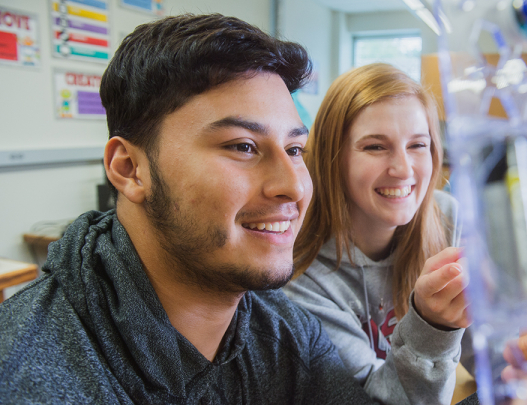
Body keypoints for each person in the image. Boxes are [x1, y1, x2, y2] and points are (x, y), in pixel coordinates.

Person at [0, 14, 379, 404]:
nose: (293, 186)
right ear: (129, 168)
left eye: (295, 150)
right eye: (243, 146)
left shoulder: (287, 333)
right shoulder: (27, 379)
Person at [284, 63, 470, 405]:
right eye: (375, 147)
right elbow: (378, 400)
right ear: (332, 157)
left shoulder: (446, 216)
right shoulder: (298, 275)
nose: (402, 169)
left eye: (417, 145)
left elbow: (492, 353)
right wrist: (432, 326)